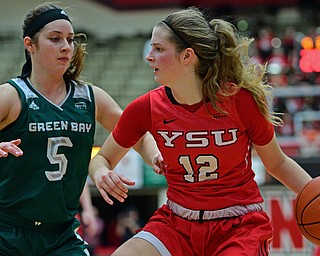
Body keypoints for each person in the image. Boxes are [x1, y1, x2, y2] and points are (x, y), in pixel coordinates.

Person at [89, 7, 314, 256]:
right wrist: (101, 173)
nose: (148, 56)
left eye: (158, 49)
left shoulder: (239, 100)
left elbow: (278, 163)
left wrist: (313, 191)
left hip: (238, 226)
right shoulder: (147, 107)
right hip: (177, 222)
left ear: (187, 56)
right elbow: (102, 158)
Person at [0, 3, 159, 255]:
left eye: (70, 39)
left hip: (61, 234)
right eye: (55, 39)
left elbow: (137, 132)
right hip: (7, 233)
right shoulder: (11, 96)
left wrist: (156, 158)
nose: (66, 46)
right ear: (29, 44)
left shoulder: (90, 97)